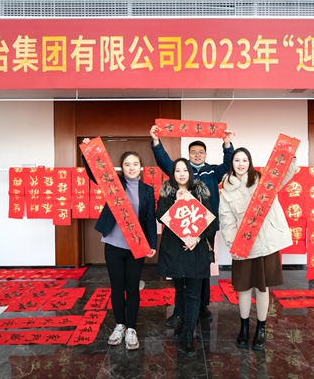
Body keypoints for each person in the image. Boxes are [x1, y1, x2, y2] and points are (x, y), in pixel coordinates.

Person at [150, 125, 235, 327]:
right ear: (188, 155)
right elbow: (164, 161)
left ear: (205, 154)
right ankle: (179, 312)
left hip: (205, 228)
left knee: (202, 269)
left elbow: (228, 164)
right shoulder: (182, 171)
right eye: (193, 152)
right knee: (180, 270)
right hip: (180, 228)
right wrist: (156, 142)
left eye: (201, 152)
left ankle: (202, 307)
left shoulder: (213, 171)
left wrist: (227, 145)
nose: (197, 155)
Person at [81, 138, 157, 351]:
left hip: (136, 247)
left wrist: (152, 244)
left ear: (140, 167)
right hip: (113, 244)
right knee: (117, 287)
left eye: (135, 164)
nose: (131, 168)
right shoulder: (114, 184)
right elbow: (94, 173)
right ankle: (119, 325)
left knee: (132, 288)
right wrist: (88, 152)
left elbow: (150, 219)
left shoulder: (147, 190)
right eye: (127, 164)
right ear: (122, 168)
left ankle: (131, 328)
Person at [218, 147, 297, 351]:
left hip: (266, 244)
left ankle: (261, 328)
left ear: (250, 162)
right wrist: (234, 245)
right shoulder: (225, 190)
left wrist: (290, 156)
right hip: (243, 246)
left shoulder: (262, 181)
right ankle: (244, 328)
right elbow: (227, 221)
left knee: (263, 288)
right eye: (237, 160)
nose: (241, 164)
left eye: (244, 160)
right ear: (232, 163)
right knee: (243, 288)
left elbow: (284, 176)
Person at [155, 158, 214, 357]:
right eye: (177, 171)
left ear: (190, 173)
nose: (181, 174)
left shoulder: (200, 192)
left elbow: (211, 223)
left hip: (196, 251)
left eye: (185, 170)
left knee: (193, 294)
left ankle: (190, 332)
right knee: (180, 291)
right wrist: (177, 201)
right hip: (175, 251)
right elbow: (160, 216)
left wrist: (197, 238)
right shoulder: (167, 193)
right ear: (172, 174)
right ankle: (182, 323)